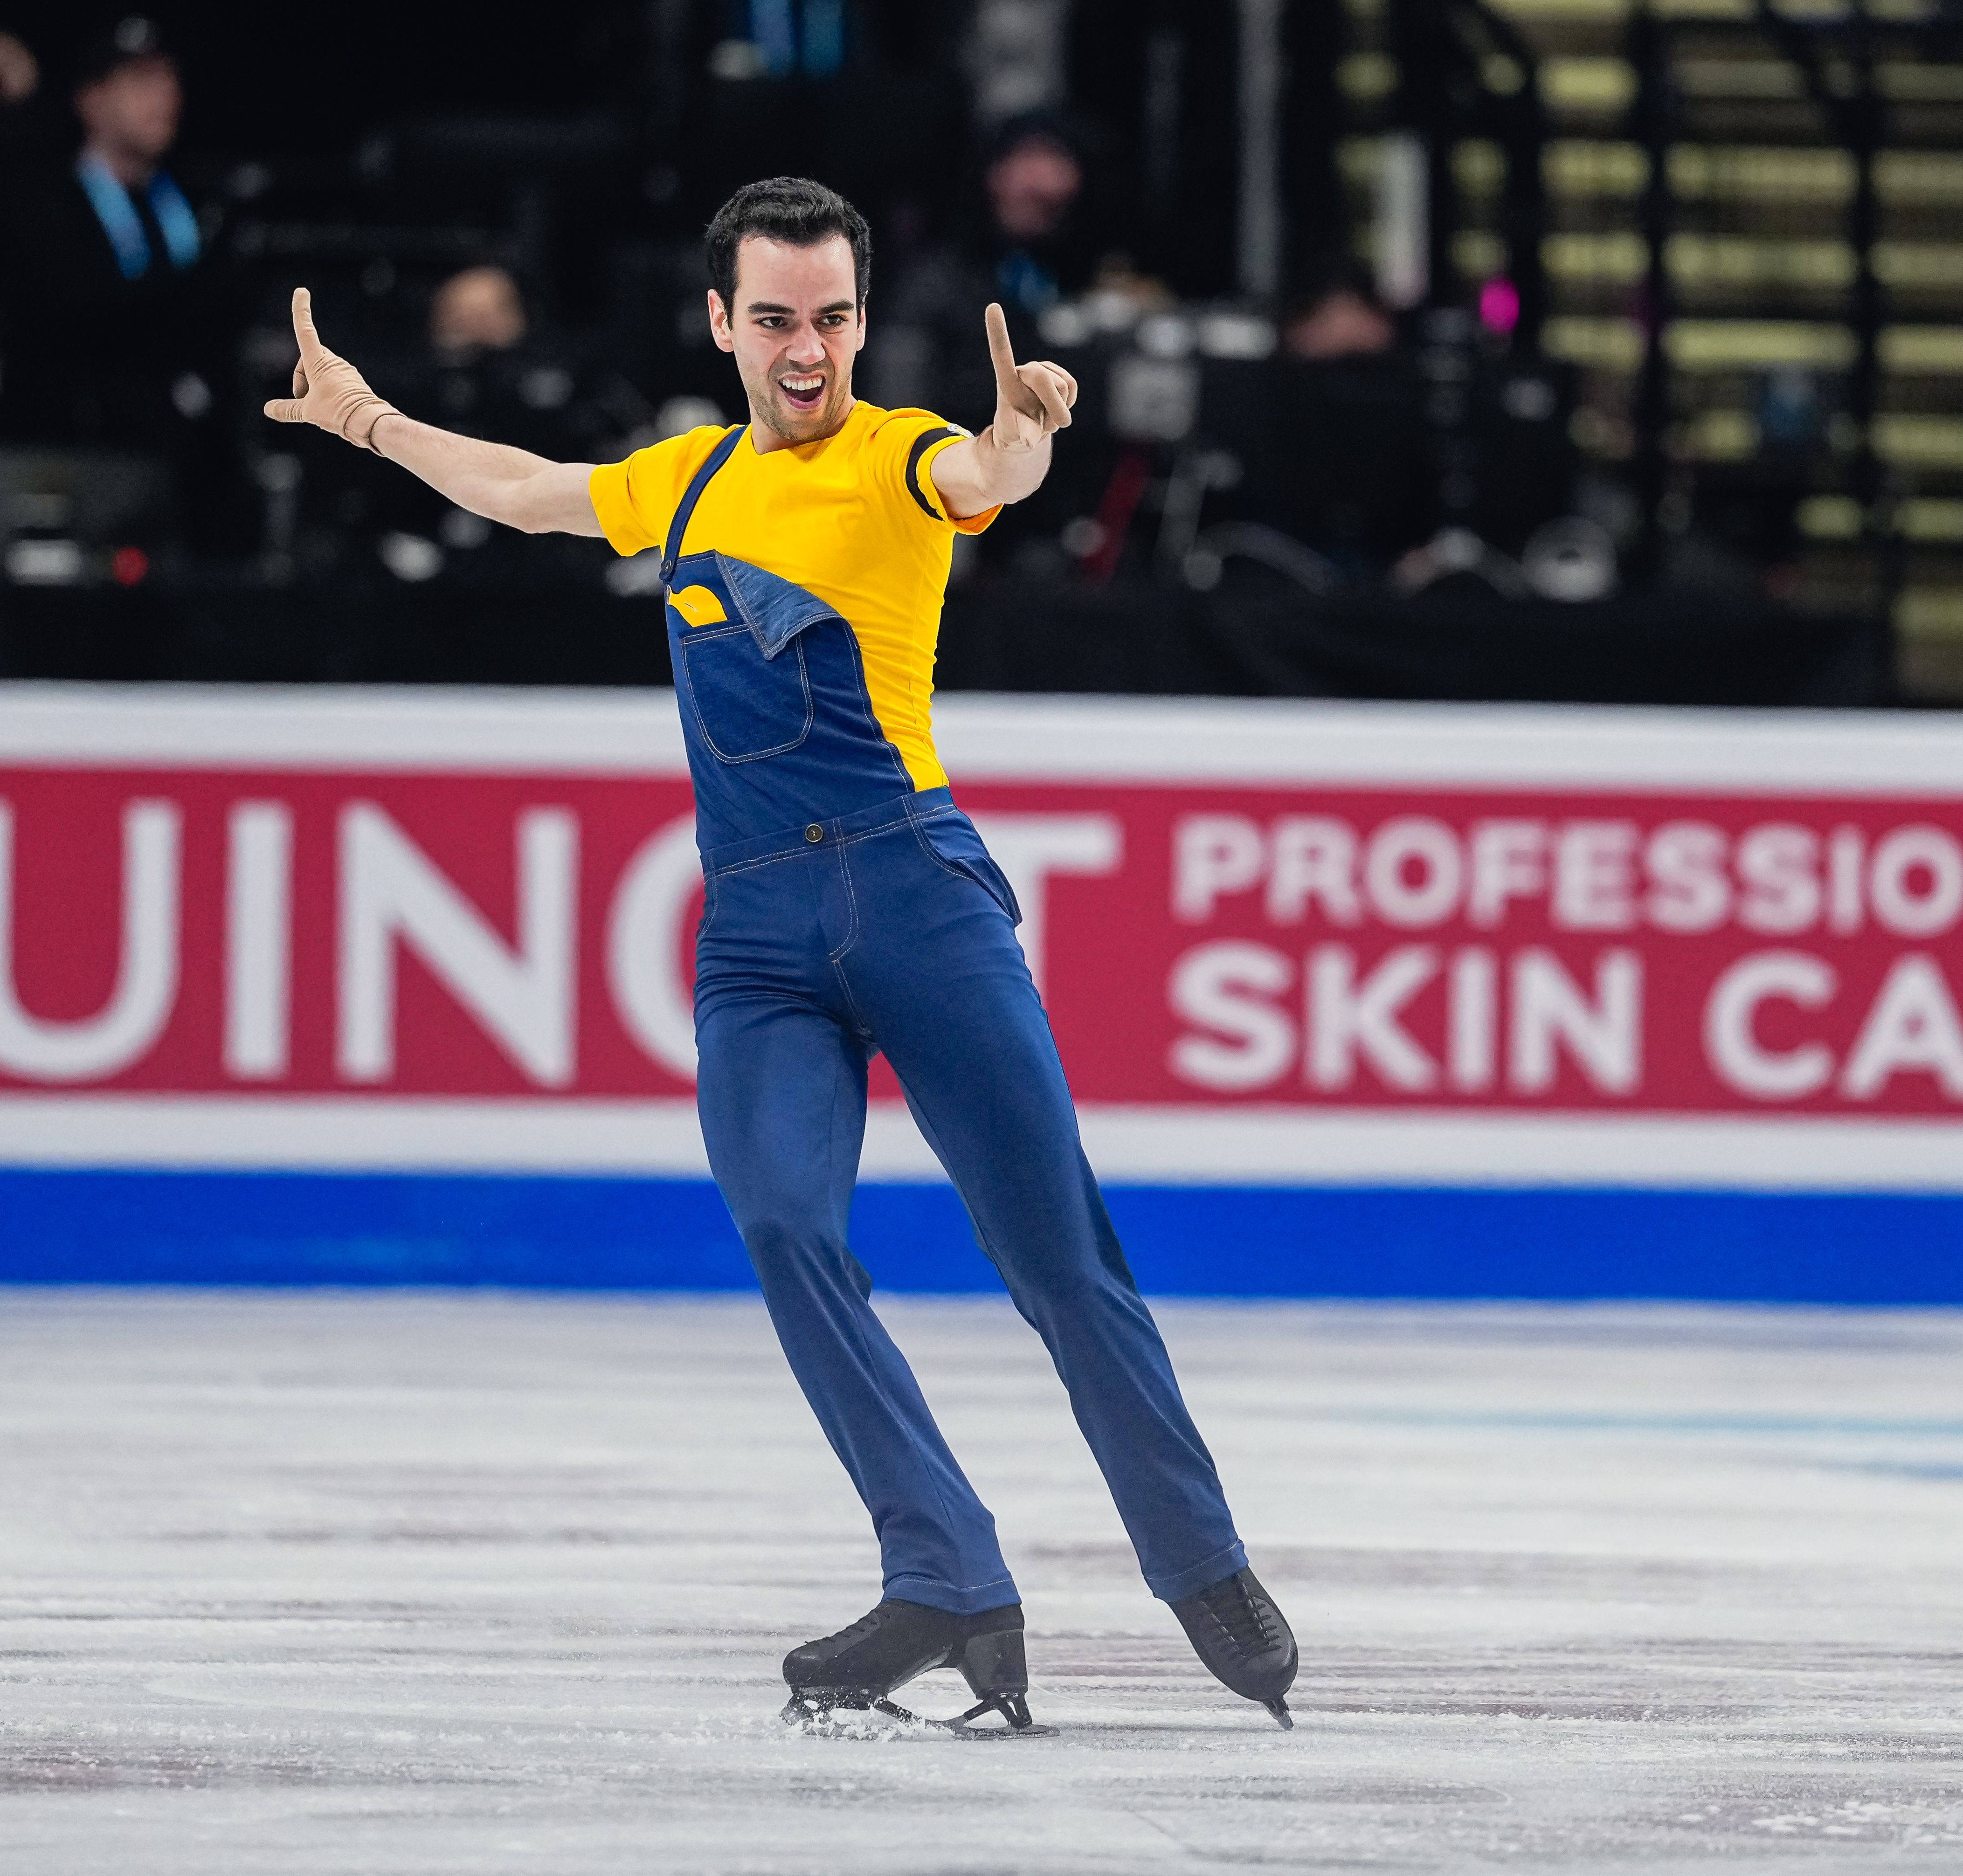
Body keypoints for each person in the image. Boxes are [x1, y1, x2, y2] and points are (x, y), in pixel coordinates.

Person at [262, 176, 1297, 1737]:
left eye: (827, 319)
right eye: (772, 320)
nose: (802, 351)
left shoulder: (900, 456)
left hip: (917, 900)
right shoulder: (679, 483)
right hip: (752, 933)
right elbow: (535, 490)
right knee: (777, 1221)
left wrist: (1027, 431)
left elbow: (987, 468)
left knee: (1054, 1259)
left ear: (861, 323)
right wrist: (368, 423)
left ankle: (1196, 1555)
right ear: (720, 323)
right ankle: (945, 1568)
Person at [0, 18, 225, 479]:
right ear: (91, 100)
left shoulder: (194, 205)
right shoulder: (48, 203)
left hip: (174, 458)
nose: (163, 97)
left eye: (168, 78)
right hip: (69, 453)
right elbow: (71, 314)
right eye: (139, 81)